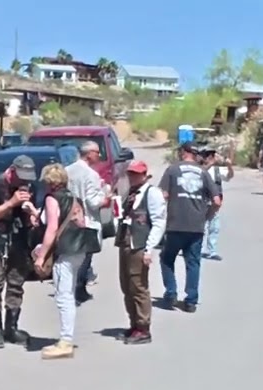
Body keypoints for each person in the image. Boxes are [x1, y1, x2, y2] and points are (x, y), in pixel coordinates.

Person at [33, 163, 96, 359]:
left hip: (65, 251)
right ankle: (66, 339)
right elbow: (80, 223)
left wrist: (42, 256)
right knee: (68, 293)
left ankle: (65, 341)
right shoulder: (74, 198)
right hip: (79, 249)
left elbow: (52, 228)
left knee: (63, 296)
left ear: (50, 182)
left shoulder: (53, 199)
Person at [0, 155, 37, 348]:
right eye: (21, 177)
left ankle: (11, 328)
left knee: (16, 284)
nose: (24, 182)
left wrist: (31, 214)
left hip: (18, 242)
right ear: (12, 171)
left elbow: (31, 217)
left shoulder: (28, 187)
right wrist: (11, 203)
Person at [158, 143, 220, 313]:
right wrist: (206, 216)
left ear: (183, 152)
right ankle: (191, 301)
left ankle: (171, 293)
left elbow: (163, 195)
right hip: (196, 226)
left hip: (175, 224)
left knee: (166, 259)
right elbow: (216, 201)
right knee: (193, 263)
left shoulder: (172, 170)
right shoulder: (203, 173)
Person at [116, 160, 166, 345]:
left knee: (138, 286)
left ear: (145, 175)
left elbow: (159, 222)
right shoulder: (130, 193)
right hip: (126, 242)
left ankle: (143, 327)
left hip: (139, 245)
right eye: (131, 174)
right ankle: (134, 323)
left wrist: (149, 249)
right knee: (126, 286)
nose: (133, 177)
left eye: (136, 174)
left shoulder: (152, 193)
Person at [65, 140, 109, 304]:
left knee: (72, 257)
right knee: (85, 258)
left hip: (69, 220)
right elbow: (93, 201)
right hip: (87, 220)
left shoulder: (67, 171)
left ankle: (74, 288)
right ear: (89, 154)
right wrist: (105, 200)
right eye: (97, 152)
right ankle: (78, 289)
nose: (99, 155)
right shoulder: (90, 174)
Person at [200, 148, 228, 261]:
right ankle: (198, 249)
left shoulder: (217, 170)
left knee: (214, 227)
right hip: (202, 202)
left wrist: (229, 166)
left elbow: (229, 176)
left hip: (214, 203)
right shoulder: (200, 168)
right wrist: (211, 164)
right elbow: (200, 173)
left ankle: (212, 251)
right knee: (201, 226)